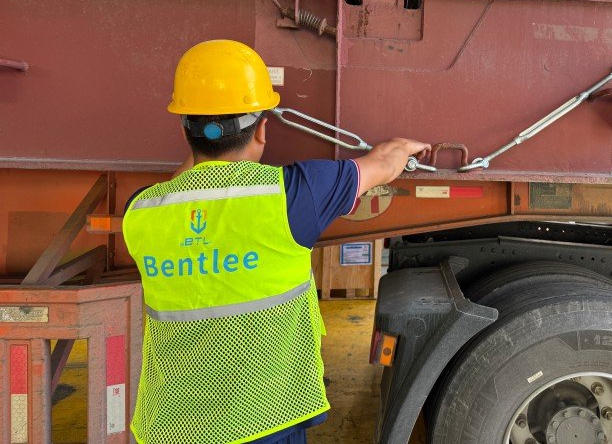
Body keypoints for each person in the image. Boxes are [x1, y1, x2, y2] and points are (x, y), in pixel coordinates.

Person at [122, 39, 430, 444]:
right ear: (263, 129)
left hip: (174, 424)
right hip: (265, 418)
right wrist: (408, 148)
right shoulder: (292, 196)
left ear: (184, 128)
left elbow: (188, 181)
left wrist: (201, 143)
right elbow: (383, 163)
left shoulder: (141, 213)